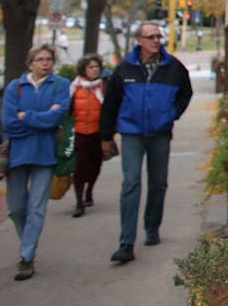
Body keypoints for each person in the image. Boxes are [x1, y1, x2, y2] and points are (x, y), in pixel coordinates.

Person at [99, 22, 193, 264]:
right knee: (131, 183)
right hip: (132, 132)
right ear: (138, 40)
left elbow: (186, 92)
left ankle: (152, 228)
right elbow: (110, 103)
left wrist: (172, 114)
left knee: (158, 183)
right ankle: (126, 243)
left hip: (160, 133)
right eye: (150, 37)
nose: (156, 41)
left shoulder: (173, 67)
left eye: (158, 36)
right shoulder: (124, 69)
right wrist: (106, 136)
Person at [1, 44, 69, 281]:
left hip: (45, 155)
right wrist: (41, 121)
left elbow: (57, 117)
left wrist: (26, 116)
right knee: (16, 208)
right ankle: (27, 242)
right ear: (30, 63)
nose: (45, 63)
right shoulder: (15, 88)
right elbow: (9, 123)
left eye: (48, 59)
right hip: (18, 155)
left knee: (37, 208)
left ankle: (26, 256)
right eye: (40, 59)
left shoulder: (60, 86)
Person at [69, 54, 106, 217]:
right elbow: (68, 109)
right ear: (84, 69)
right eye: (91, 67)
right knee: (80, 166)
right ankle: (79, 201)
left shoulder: (103, 86)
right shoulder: (75, 87)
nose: (94, 70)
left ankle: (90, 189)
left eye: (97, 66)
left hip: (98, 133)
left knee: (95, 165)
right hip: (79, 132)